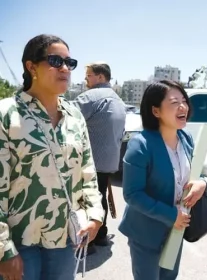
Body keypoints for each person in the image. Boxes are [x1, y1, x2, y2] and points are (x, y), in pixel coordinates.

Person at [0, 34, 104, 280]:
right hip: (20, 240)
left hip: (66, 237)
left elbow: (87, 172)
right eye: (56, 61)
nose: (65, 68)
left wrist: (95, 215)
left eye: (70, 63)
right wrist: (3, 248)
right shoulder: (7, 114)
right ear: (31, 66)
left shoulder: (75, 116)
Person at [119, 80, 207, 280]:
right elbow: (132, 194)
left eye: (184, 101)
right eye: (174, 102)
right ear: (156, 111)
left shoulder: (186, 138)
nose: (183, 106)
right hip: (146, 233)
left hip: (175, 231)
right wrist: (171, 215)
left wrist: (202, 183)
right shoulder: (140, 145)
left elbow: (193, 174)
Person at [72, 62, 126, 253]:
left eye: (88, 76)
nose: (86, 79)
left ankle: (89, 242)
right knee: (99, 195)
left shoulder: (90, 97)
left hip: (90, 160)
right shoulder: (118, 100)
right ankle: (101, 234)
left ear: (101, 77)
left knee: (87, 200)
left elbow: (65, 120)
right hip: (109, 160)